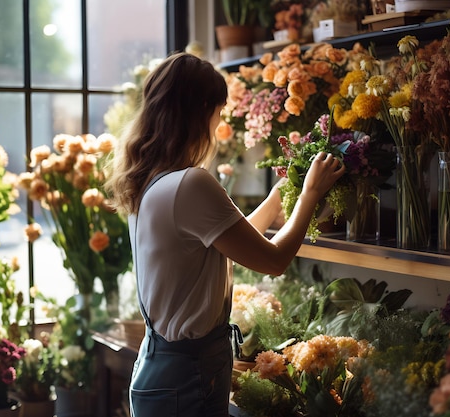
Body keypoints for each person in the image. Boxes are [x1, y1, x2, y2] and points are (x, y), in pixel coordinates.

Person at [105, 52, 345, 417]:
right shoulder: (190, 183)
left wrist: (278, 195)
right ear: (201, 110)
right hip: (188, 376)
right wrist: (310, 193)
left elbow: (229, 242)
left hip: (163, 368)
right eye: (218, 112)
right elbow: (274, 260)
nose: (218, 125)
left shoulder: (154, 181)